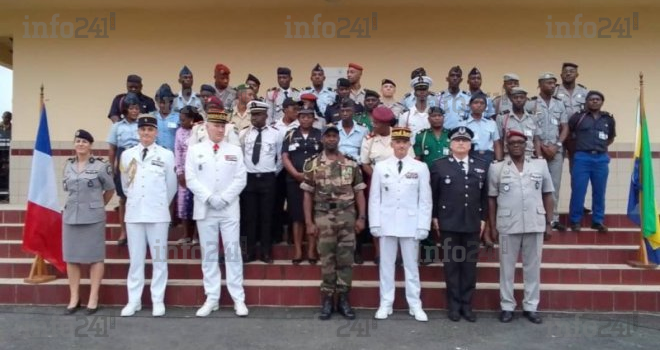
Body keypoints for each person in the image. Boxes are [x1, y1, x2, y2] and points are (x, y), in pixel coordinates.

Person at [185, 108, 249, 318]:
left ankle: (238, 298)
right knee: (209, 255)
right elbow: (191, 178)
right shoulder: (195, 150)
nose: (220, 129)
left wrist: (224, 198)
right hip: (206, 207)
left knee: (233, 253)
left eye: (223, 126)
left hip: (229, 208)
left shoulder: (235, 150)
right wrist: (210, 197)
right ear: (206, 127)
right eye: (216, 125)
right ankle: (211, 297)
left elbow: (241, 178)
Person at [301, 124, 367, 320]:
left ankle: (344, 300)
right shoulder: (312, 164)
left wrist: (362, 217)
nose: (331, 139)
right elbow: (307, 195)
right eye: (327, 136)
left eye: (334, 136)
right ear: (322, 139)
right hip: (323, 217)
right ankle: (328, 300)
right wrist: (309, 223)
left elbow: (359, 192)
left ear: (338, 139)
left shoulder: (351, 163)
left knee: (346, 260)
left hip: (347, 216)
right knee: (327, 260)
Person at [488, 130, 554, 324]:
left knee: (532, 268)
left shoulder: (540, 165)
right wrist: (492, 226)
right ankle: (507, 306)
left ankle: (531, 306)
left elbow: (548, 193)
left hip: (535, 224)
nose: (516, 145)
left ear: (526, 145)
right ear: (507, 147)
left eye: (520, 142)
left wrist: (549, 223)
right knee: (506, 269)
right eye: (512, 143)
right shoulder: (497, 168)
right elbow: (491, 199)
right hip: (507, 226)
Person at [370, 127, 432, 322]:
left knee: (412, 267)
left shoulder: (420, 167)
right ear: (392, 144)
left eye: (405, 142)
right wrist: (375, 223)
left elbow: (425, 199)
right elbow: (374, 198)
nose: (401, 145)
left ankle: (415, 304)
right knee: (386, 266)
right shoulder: (381, 167)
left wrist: (424, 225)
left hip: (410, 223)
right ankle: (385, 302)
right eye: (397, 141)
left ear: (409, 144)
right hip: (387, 222)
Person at [119, 115, 177, 317]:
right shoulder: (127, 155)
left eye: (150, 130)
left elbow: (171, 185)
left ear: (156, 133)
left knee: (159, 259)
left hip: (158, 213)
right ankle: (133, 300)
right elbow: (126, 184)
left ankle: (157, 300)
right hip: (135, 213)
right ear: (138, 132)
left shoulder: (166, 155)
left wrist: (159, 202)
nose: (146, 133)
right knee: (136, 260)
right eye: (143, 130)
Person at [430, 127, 488, 322]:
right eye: (457, 141)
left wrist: (483, 219)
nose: (461, 143)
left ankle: (467, 305)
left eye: (465, 140)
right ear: (451, 144)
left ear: (470, 145)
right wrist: (435, 217)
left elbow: (484, 196)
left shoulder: (481, 165)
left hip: (472, 224)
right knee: (452, 266)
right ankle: (454, 306)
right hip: (449, 224)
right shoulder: (440, 166)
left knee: (469, 267)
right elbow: (434, 195)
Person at [62, 130, 115, 315]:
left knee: (95, 257)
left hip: (93, 218)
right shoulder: (68, 165)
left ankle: (93, 297)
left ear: (90, 145)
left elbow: (109, 189)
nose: (81, 144)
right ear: (74, 144)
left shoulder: (101, 166)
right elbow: (67, 188)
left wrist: (98, 205)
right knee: (71, 257)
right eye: (78, 141)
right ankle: (74, 297)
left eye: (84, 141)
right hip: (71, 216)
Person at [239, 100, 283, 263]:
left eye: (258, 114)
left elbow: (280, 158)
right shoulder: (244, 133)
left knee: (267, 217)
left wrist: (271, 172)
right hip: (249, 179)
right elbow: (242, 156)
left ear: (265, 115)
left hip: (268, 179)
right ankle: (249, 252)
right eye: (252, 114)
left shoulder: (276, 133)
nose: (254, 118)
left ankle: (266, 252)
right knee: (249, 217)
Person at [567, 91, 616, 233]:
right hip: (582, 157)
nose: (595, 101)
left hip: (601, 158)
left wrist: (600, 147)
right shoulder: (578, 117)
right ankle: (575, 220)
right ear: (586, 102)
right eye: (591, 99)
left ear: (602, 102)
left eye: (598, 99)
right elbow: (568, 134)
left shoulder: (608, 119)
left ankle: (598, 221)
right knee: (578, 190)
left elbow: (611, 137)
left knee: (600, 191)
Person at [526, 73, 569, 231]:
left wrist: (557, 145)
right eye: (549, 83)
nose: (552, 86)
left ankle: (553, 218)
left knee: (554, 185)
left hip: (556, 151)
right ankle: (537, 216)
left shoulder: (560, 104)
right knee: (535, 184)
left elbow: (565, 127)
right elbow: (528, 127)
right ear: (540, 84)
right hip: (537, 150)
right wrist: (542, 148)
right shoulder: (531, 104)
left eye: (554, 83)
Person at [282, 107, 323, 264]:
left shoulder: (319, 134)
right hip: (294, 180)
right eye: (303, 117)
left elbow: (324, 156)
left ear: (314, 119)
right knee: (297, 215)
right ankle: (298, 250)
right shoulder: (290, 134)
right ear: (298, 118)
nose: (306, 119)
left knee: (313, 214)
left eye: (309, 117)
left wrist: (314, 175)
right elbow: (285, 157)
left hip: (316, 180)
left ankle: (312, 250)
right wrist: (296, 174)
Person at [107, 92, 140, 246]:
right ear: (126, 110)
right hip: (123, 158)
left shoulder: (142, 125)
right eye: (132, 108)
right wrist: (112, 166)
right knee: (123, 197)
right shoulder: (117, 127)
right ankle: (123, 231)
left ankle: (139, 233)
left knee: (140, 196)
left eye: (137, 108)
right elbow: (112, 149)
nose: (135, 111)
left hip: (139, 158)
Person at [174, 106, 202, 245]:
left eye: (183, 120)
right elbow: (178, 152)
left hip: (199, 174)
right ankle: (186, 235)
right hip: (184, 173)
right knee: (183, 204)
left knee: (198, 204)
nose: (181, 122)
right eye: (180, 120)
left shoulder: (201, 130)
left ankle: (197, 236)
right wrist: (180, 172)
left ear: (192, 119)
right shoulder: (179, 132)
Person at [496, 87, 541, 158]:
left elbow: (536, 139)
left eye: (522, 97)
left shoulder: (533, 117)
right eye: (515, 97)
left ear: (526, 99)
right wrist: (499, 159)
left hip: (529, 156)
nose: (519, 100)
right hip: (509, 156)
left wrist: (539, 157)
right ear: (511, 99)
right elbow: (499, 141)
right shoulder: (502, 117)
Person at [459, 93, 503, 164]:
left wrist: (499, 162)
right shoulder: (463, 124)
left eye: (482, 103)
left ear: (485, 107)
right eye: (476, 103)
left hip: (488, 156)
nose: (479, 105)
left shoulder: (491, 123)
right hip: (470, 156)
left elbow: (496, 143)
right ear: (470, 105)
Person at [398, 76, 433, 140]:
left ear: (428, 92)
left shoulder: (433, 114)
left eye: (424, 90)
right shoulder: (405, 114)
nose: (422, 92)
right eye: (419, 90)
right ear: (414, 93)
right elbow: (401, 137)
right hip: (411, 149)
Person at [438, 66, 471, 130]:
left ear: (461, 80)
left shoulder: (468, 97)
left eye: (458, 76)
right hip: (445, 134)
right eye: (452, 75)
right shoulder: (439, 98)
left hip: (462, 134)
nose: (455, 78)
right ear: (447, 79)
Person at [153, 84, 180, 152]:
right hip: (155, 154)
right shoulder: (153, 117)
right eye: (160, 102)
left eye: (165, 103)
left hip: (173, 155)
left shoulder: (178, 118)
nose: (162, 105)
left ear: (170, 103)